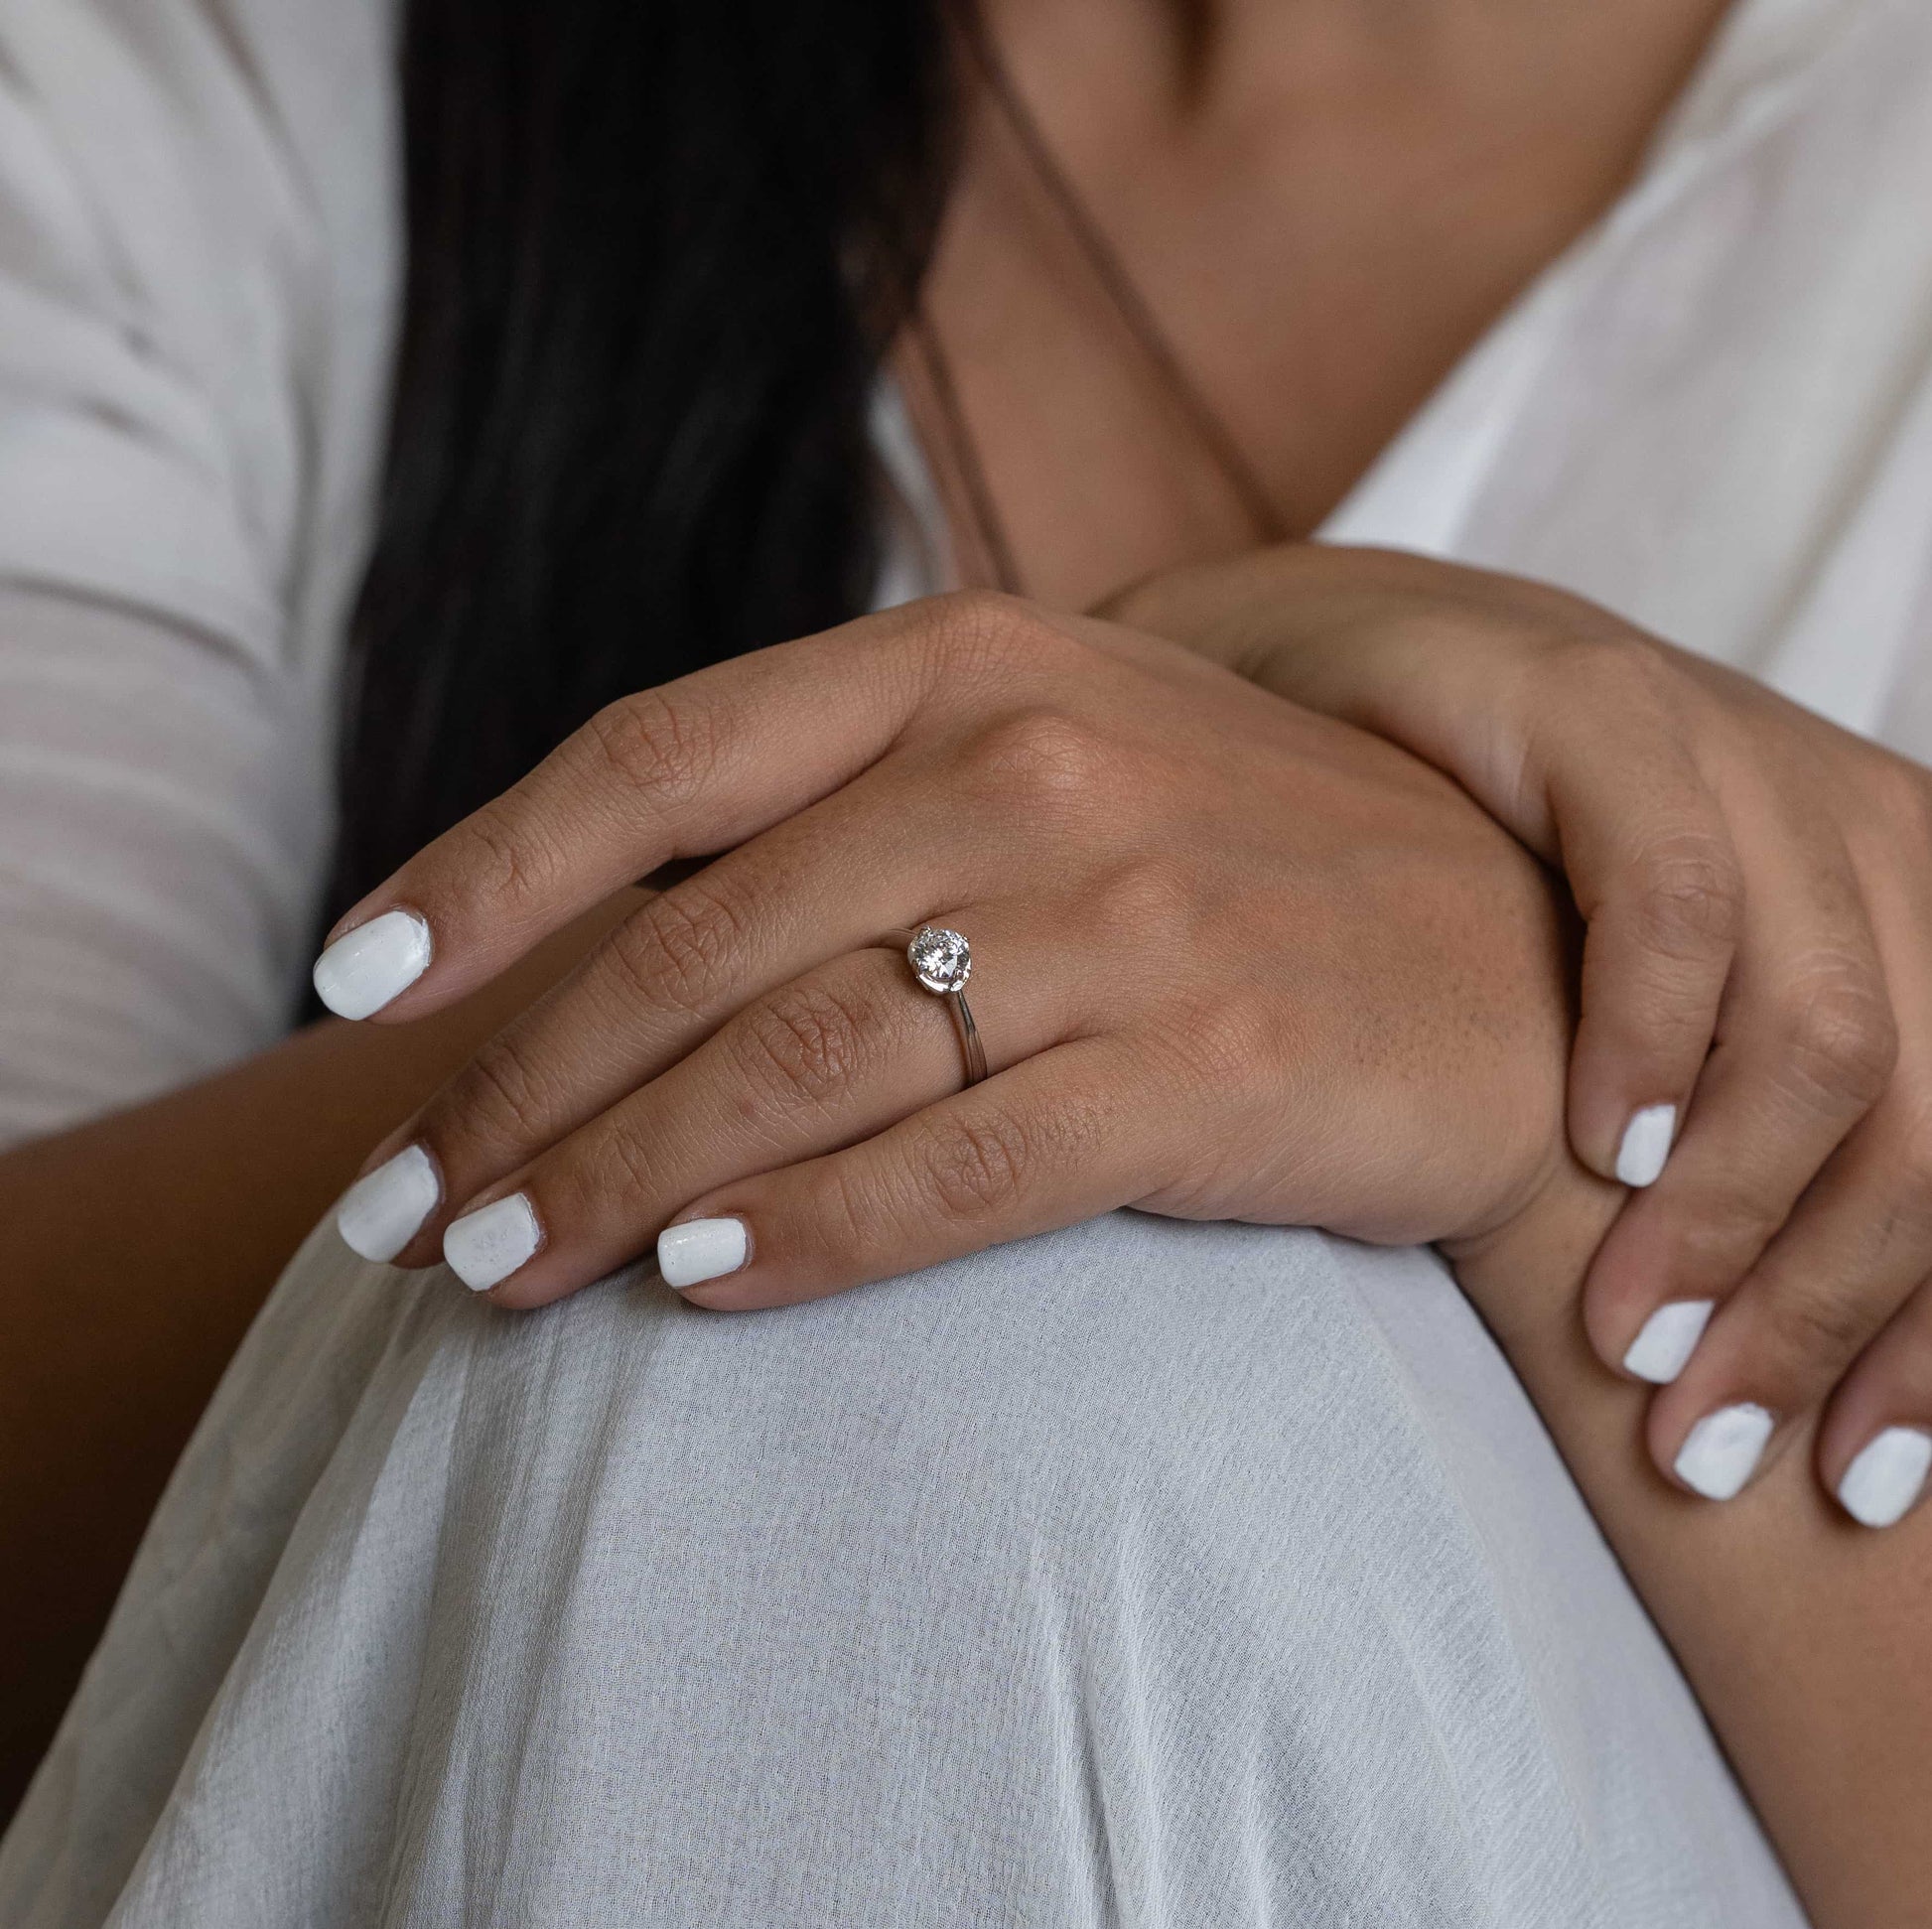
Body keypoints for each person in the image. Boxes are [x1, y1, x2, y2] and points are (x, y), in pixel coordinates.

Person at [1, 0, 1929, 1921]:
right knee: (858, 1273)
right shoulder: (243, 97)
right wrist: (1108, 800)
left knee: (936, 1288)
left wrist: (1523, 1098)